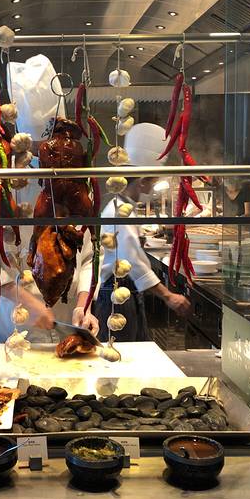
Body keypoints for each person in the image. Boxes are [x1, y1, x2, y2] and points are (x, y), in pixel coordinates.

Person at [0, 55, 98, 344]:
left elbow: (89, 255)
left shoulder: (75, 181)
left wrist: (84, 305)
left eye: (53, 146)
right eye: (39, 147)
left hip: (66, 316)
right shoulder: (1, 178)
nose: (46, 154)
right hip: (11, 320)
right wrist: (30, 302)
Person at [95, 122, 190, 341]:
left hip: (125, 291)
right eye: (153, 181)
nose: (153, 186)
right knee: (123, 354)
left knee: (132, 351)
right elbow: (132, 261)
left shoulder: (124, 206)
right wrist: (168, 296)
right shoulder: (119, 211)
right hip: (117, 293)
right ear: (142, 182)